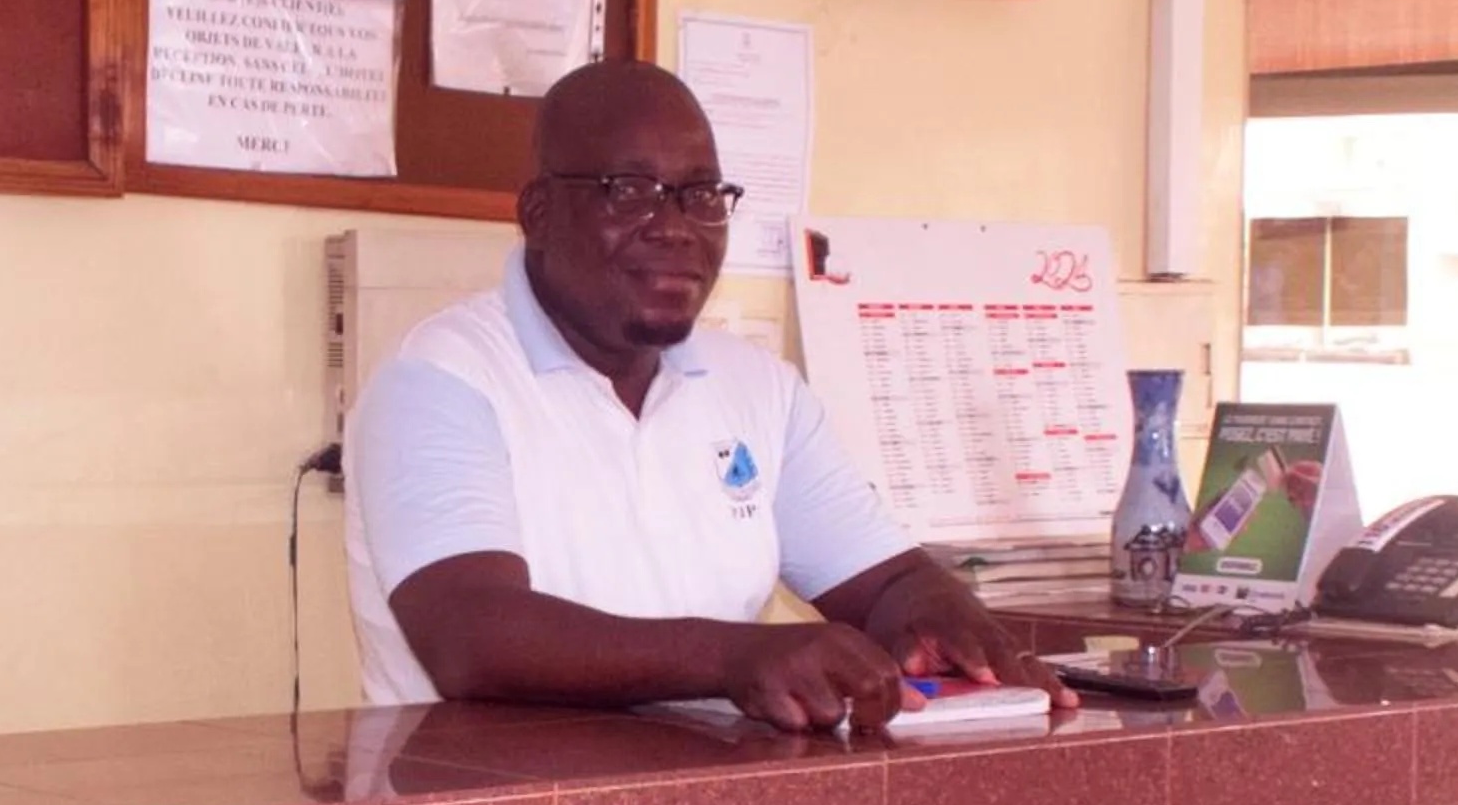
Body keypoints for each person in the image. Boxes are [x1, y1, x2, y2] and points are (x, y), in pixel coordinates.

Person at [343, 58, 1075, 733]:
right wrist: (733, 658)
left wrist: (954, 630)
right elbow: (472, 638)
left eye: (701, 195)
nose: (675, 228)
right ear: (538, 213)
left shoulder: (758, 389)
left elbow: (887, 585)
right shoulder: (440, 380)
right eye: (627, 192)